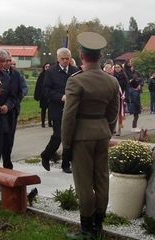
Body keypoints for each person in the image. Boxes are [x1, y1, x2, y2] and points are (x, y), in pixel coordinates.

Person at [61, 32, 120, 239]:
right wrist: (106, 130)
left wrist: (66, 145)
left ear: (81, 55)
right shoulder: (111, 81)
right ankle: (98, 225)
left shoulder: (76, 81)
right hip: (102, 133)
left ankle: (86, 229)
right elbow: (113, 112)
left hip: (81, 137)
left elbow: (69, 117)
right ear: (100, 56)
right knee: (102, 179)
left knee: (84, 183)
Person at [40, 48, 79, 174]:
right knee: (59, 135)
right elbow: (46, 91)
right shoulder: (50, 72)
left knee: (70, 137)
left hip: (72, 109)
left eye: (67, 58)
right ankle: (47, 154)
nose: (65, 61)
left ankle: (66, 163)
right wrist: (60, 97)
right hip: (57, 108)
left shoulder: (75, 71)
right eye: (63, 58)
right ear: (58, 59)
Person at [0, 55, 24, 169]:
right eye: (7, 61)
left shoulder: (16, 75)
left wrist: (11, 105)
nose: (9, 63)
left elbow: (19, 92)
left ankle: (7, 160)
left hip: (12, 110)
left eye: (10, 61)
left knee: (9, 137)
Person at [34, 63, 52, 128]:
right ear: (44, 67)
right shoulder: (41, 75)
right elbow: (38, 85)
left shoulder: (52, 75)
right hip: (43, 96)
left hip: (50, 95)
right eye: (46, 67)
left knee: (50, 110)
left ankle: (50, 122)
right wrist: (38, 95)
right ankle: (43, 123)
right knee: (43, 110)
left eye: (49, 66)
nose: (47, 68)